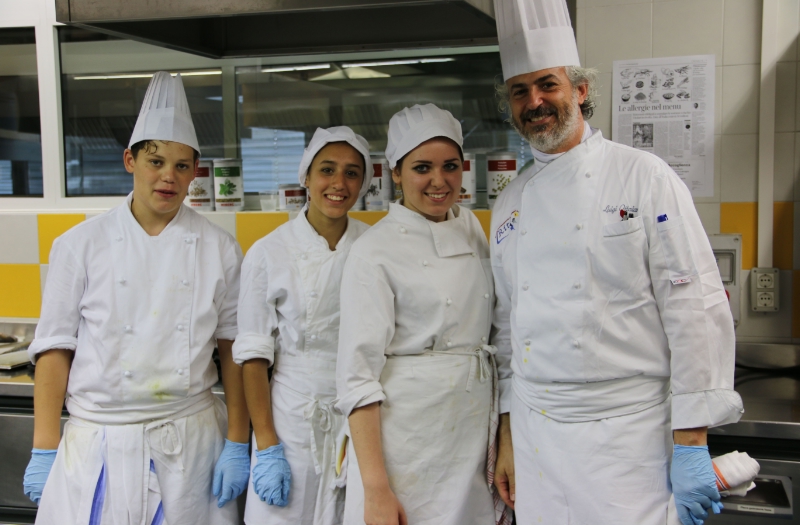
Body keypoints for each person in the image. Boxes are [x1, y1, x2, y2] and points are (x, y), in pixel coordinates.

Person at [488, 0, 743, 525]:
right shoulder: (510, 201)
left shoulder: (643, 177)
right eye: (519, 91)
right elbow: (509, 327)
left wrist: (692, 441)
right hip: (537, 439)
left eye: (547, 84)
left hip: (627, 439)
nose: (535, 101)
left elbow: (692, 307)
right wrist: (508, 432)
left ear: (580, 90)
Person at [24, 71, 249, 524]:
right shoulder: (79, 245)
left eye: (182, 166)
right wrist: (44, 447)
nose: (169, 177)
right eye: (156, 161)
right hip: (98, 444)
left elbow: (233, 351)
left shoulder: (220, 248)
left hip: (191, 444)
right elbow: (54, 350)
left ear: (195, 172)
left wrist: (238, 442)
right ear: (130, 160)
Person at [336, 104, 506, 525]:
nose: (439, 181)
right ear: (395, 173)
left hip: (468, 432)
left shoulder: (471, 227)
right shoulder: (373, 251)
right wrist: (376, 488)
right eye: (422, 168)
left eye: (450, 166)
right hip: (406, 445)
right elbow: (357, 378)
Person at [233, 126, 373, 525]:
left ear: (363, 183)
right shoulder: (268, 252)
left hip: (358, 414)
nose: (339, 183)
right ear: (306, 178)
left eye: (351, 173)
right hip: (291, 419)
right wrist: (267, 446)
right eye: (327, 170)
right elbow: (253, 357)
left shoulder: (374, 247)